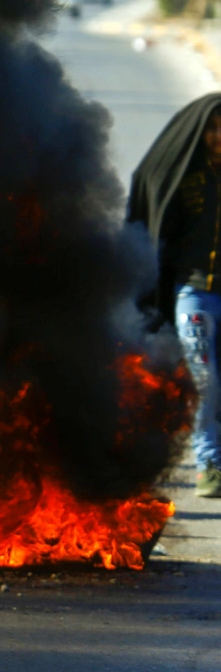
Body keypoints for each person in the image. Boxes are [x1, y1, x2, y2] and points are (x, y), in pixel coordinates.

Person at [130, 93, 221, 498]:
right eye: (213, 127)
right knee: (205, 379)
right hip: (194, 293)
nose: (219, 136)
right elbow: (152, 204)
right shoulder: (185, 175)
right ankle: (210, 464)